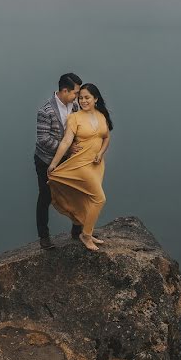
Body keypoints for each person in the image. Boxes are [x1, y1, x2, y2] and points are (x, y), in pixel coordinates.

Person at [47, 83, 113, 251]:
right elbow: (66, 141)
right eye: (81, 97)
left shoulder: (101, 115)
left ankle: (85, 230)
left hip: (96, 164)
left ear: (95, 99)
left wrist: (101, 153)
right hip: (80, 163)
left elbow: (106, 137)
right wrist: (54, 163)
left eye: (87, 98)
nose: (83, 101)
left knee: (90, 199)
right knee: (99, 198)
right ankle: (86, 235)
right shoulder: (75, 117)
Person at [34, 73, 83, 249]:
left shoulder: (75, 107)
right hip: (46, 160)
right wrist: (67, 148)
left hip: (68, 161)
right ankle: (44, 237)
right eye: (75, 93)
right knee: (45, 196)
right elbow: (43, 139)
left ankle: (77, 230)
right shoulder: (45, 111)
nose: (77, 97)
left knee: (77, 192)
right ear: (64, 90)